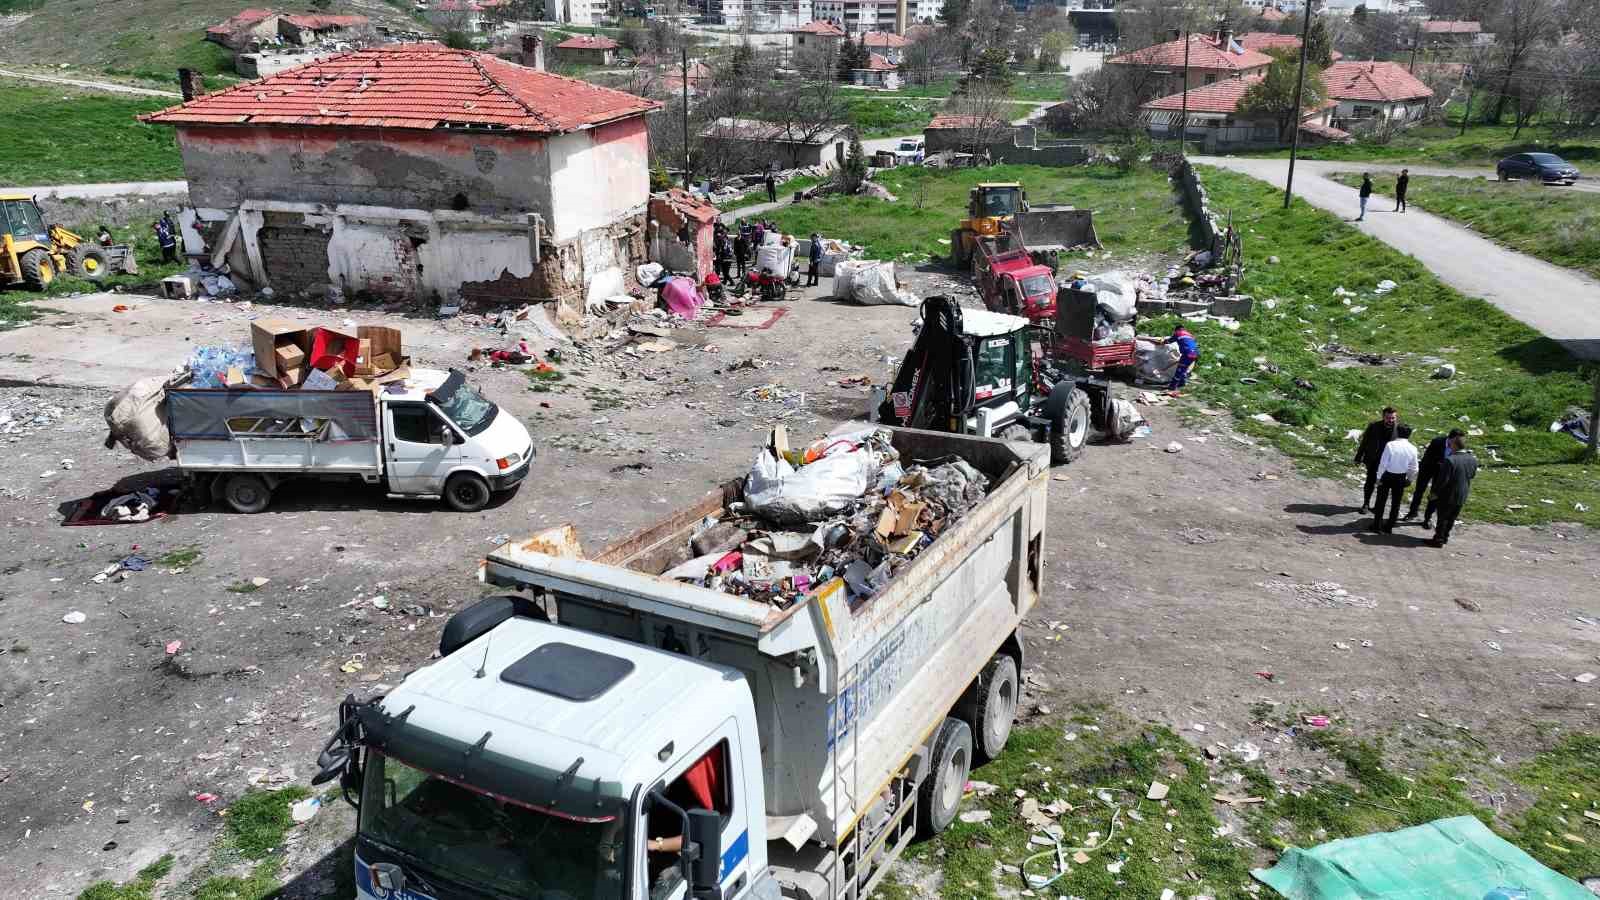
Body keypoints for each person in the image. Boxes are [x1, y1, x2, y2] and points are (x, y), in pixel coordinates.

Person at [1428, 432, 1478, 547]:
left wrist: (1434, 493)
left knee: (1443, 518)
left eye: (1451, 444)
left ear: (1455, 445)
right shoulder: (1472, 459)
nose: (1449, 445)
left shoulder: (1450, 460)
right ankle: (1445, 537)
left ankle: (1438, 539)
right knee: (1452, 518)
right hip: (1462, 494)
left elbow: (1442, 480)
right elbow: (1472, 475)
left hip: (1448, 494)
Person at [1405, 428, 1460, 526]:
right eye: (1457, 440)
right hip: (1428, 468)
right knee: (1419, 490)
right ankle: (1412, 512)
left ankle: (1427, 518)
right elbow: (1429, 456)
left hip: (1441, 473)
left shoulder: (1458, 446)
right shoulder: (1437, 441)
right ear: (1451, 438)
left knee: (1434, 494)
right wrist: (1441, 462)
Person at [1370, 423, 1418, 533]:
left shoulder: (1390, 445)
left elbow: (1383, 463)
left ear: (1397, 432)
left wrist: (1378, 477)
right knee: (1396, 503)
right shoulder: (1413, 448)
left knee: (1381, 501)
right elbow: (1414, 468)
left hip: (1387, 475)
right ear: (1409, 435)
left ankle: (1377, 525)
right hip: (1401, 477)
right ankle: (1389, 526)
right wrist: (1410, 479)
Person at [1354, 406, 1399, 513]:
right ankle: (1366, 504)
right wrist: (1358, 457)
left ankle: (1377, 507)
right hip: (1373, 460)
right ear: (1383, 417)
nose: (1391, 420)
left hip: (1388, 463)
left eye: (1393, 418)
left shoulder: (1399, 429)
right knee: (1370, 482)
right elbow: (1364, 442)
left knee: (1383, 486)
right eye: (1388, 418)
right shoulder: (1374, 426)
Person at [1165, 324, 1199, 393]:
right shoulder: (1189, 334)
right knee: (1184, 368)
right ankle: (1182, 383)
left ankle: (1172, 386)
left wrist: (1162, 342)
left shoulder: (1178, 333)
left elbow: (1169, 341)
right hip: (1195, 353)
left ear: (1177, 330)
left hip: (1187, 353)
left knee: (1179, 370)